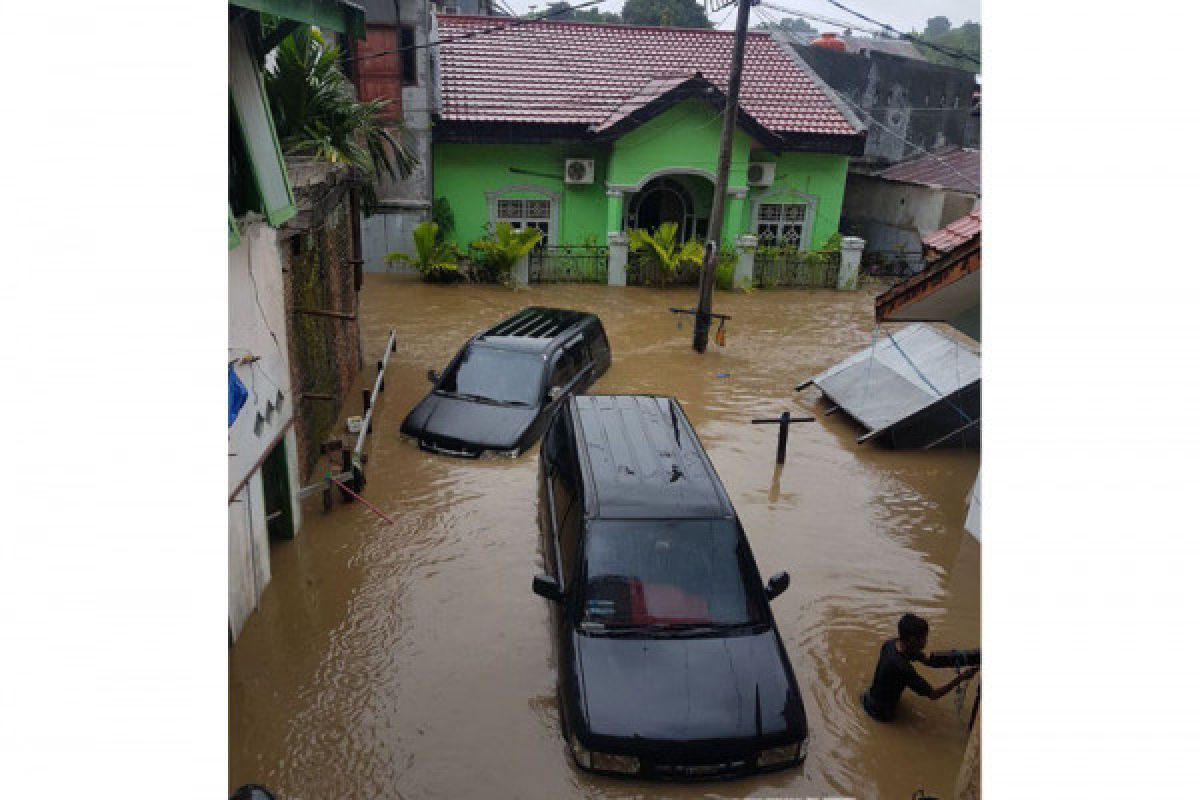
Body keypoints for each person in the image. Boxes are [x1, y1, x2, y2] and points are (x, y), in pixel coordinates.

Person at [862, 613, 978, 722]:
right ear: (912, 639)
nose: (926, 641)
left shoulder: (890, 644)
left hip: (869, 698)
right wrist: (961, 678)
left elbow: (921, 658)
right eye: (924, 638)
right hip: (880, 714)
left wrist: (935, 659)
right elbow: (934, 694)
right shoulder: (903, 669)